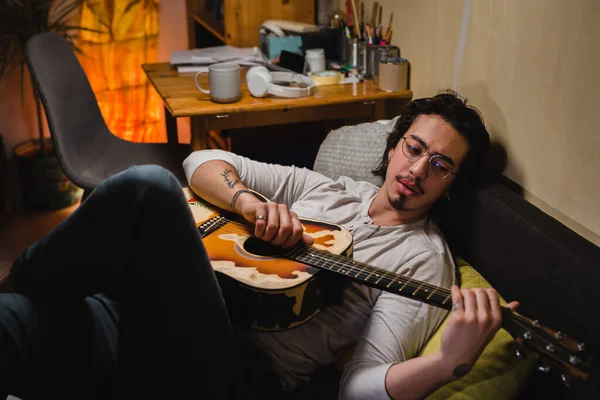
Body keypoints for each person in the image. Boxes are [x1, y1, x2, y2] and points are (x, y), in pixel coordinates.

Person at [0, 90, 517, 400]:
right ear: (396, 144)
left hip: (229, 367)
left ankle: (25, 270)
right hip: (139, 315)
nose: (417, 170)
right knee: (15, 318)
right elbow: (201, 163)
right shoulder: (332, 188)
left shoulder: (422, 260)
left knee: (150, 188)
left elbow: (357, 389)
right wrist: (249, 203)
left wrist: (448, 363)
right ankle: (25, 288)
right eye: (415, 148)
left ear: (452, 184)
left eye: (440, 165)